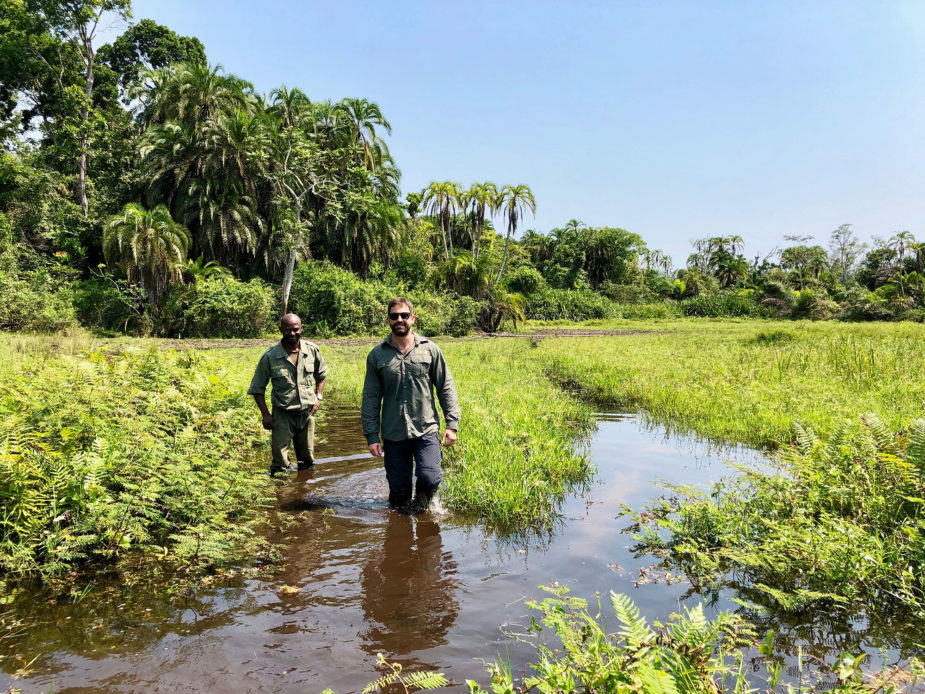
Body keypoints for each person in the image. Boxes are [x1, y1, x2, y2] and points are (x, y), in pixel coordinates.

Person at [361, 298, 460, 511]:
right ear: (388, 320)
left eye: (404, 315)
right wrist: (371, 435)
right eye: (395, 316)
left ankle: (423, 508)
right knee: (398, 494)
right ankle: (401, 529)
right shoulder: (377, 355)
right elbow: (370, 397)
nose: (399, 320)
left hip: (426, 428)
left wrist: (452, 425)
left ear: (412, 319)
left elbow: (445, 387)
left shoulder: (430, 350)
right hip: (393, 432)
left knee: (430, 478)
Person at [248, 313, 327, 476]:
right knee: (280, 464)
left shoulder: (312, 350)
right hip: (282, 416)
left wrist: (318, 396)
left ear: (301, 329)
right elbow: (257, 388)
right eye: (288, 330)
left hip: (307, 414)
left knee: (307, 461)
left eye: (295, 329)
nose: (292, 333)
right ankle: (281, 496)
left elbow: (321, 374)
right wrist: (266, 415)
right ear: (281, 330)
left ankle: (303, 494)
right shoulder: (270, 356)